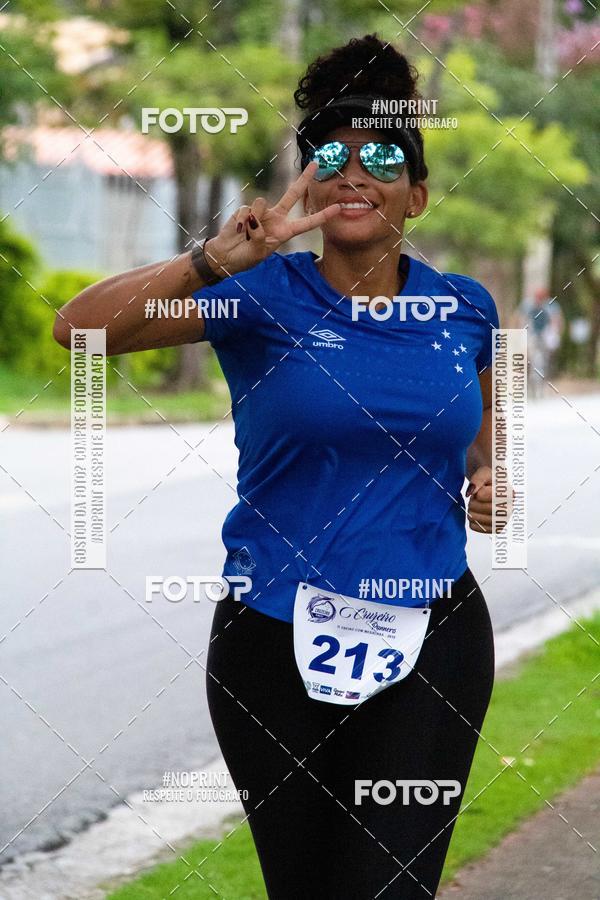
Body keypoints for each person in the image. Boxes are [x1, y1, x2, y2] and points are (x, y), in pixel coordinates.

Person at [54, 33, 507, 900]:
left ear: (415, 194)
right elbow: (77, 332)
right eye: (330, 157)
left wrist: (490, 483)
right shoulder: (263, 296)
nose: (352, 175)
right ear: (306, 184)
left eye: (382, 158)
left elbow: (488, 442)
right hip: (271, 636)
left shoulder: (466, 310)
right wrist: (216, 258)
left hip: (433, 639)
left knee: (387, 887)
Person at [517, 286, 564, 397]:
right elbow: (520, 318)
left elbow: (557, 319)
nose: (539, 300)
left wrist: (555, 333)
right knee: (527, 355)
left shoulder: (551, 305)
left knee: (547, 355)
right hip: (532, 332)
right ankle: (528, 382)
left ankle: (546, 377)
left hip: (545, 332)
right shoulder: (527, 304)